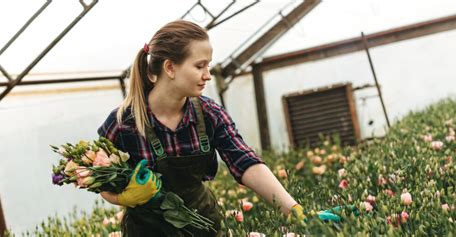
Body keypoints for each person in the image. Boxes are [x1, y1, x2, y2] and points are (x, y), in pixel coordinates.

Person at [97, 19, 306, 236]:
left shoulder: (208, 114)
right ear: (170, 68)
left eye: (208, 65)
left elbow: (245, 161)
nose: (207, 75)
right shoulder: (124, 123)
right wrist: (122, 198)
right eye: (200, 66)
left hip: (202, 226)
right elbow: (101, 180)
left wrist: (292, 209)